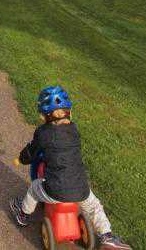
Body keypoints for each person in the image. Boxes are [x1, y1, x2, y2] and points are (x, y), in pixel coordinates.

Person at [10, 86, 132, 250]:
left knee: (34, 188)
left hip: (56, 190)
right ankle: (107, 236)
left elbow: (30, 152)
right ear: (68, 112)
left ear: (44, 115)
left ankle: (22, 214)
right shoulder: (73, 129)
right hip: (81, 189)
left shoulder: (43, 133)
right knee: (95, 206)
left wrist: (22, 158)